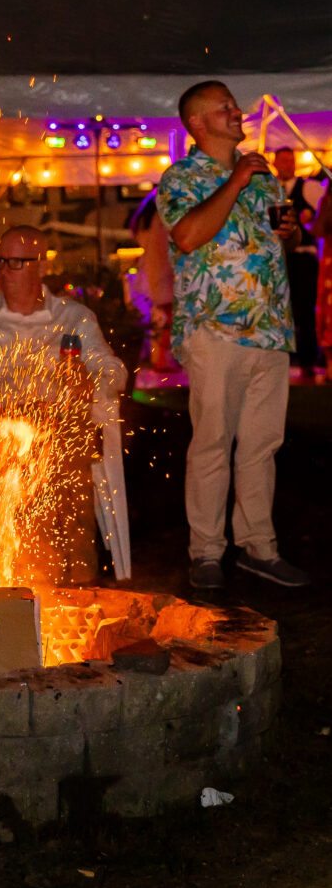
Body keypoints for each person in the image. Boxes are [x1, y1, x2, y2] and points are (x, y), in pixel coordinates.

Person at [156, 80, 310, 590]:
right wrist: (237, 180)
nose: (237, 111)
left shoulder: (264, 177)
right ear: (197, 123)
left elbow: (268, 247)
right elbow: (188, 235)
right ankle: (206, 552)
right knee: (213, 443)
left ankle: (259, 548)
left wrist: (287, 232)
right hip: (214, 328)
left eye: (234, 105)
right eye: (225, 107)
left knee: (262, 444)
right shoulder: (181, 178)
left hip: (269, 328)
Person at [0, 224, 126, 584]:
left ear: (40, 266)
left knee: (65, 447)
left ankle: (74, 577)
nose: (2, 271)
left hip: (58, 425)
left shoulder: (73, 318)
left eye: (15, 262)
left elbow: (114, 373)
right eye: (0, 261)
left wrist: (88, 381)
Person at [273, 147, 324, 378]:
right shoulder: (271, 190)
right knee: (279, 309)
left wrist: (309, 219)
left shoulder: (309, 188)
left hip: (303, 257)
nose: (287, 165)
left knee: (305, 310)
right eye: (283, 161)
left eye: (290, 161)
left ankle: (307, 361)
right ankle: (280, 360)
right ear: (276, 163)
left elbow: (321, 220)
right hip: (278, 259)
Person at [128, 190, 177, 371]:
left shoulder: (144, 221)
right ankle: (163, 362)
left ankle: (160, 360)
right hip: (163, 274)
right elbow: (165, 248)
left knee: (160, 319)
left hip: (151, 273)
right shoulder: (161, 220)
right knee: (166, 319)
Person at [312, 189, 332, 381]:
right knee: (328, 313)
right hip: (330, 264)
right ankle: (329, 366)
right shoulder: (327, 201)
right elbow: (317, 231)